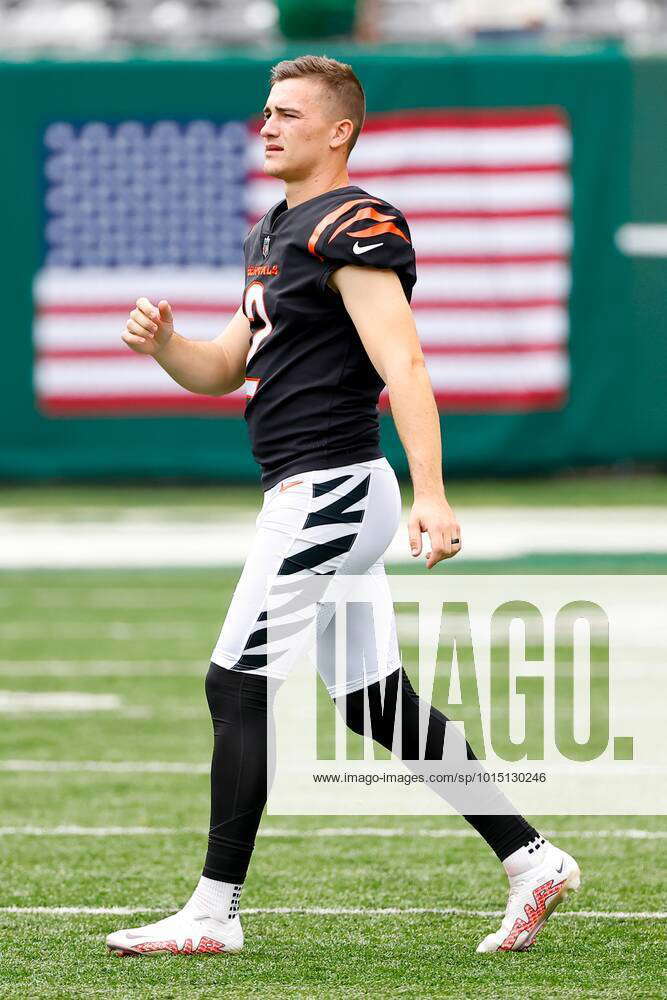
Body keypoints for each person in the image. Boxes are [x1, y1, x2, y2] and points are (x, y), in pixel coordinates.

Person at [106, 55, 580, 958]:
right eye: (265, 109)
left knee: (233, 683)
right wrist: (168, 344)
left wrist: (434, 493)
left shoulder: (353, 224)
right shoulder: (273, 230)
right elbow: (221, 369)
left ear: (339, 131)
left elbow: (405, 363)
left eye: (288, 112)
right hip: (322, 488)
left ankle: (212, 912)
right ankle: (531, 859)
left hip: (327, 487)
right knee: (374, 701)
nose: (267, 124)